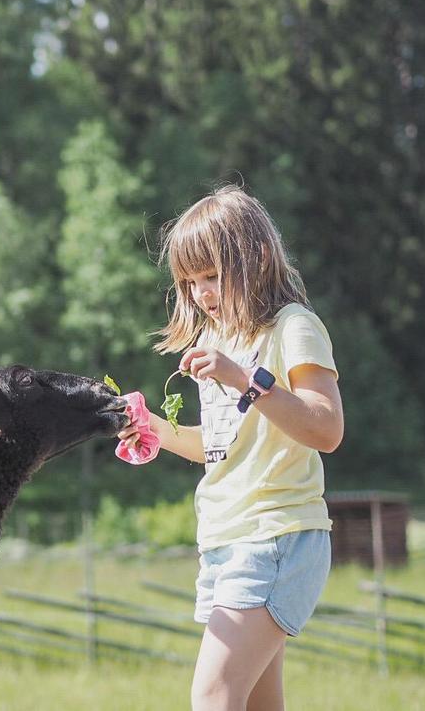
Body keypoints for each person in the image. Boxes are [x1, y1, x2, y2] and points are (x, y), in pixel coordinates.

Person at [117, 185, 344, 711]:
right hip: (224, 541)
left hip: (276, 536)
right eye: (189, 282)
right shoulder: (221, 343)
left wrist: (247, 380)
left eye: (212, 276)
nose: (201, 294)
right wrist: (153, 426)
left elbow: (327, 430)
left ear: (255, 259)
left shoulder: (294, 328)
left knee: (214, 696)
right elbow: (220, 448)